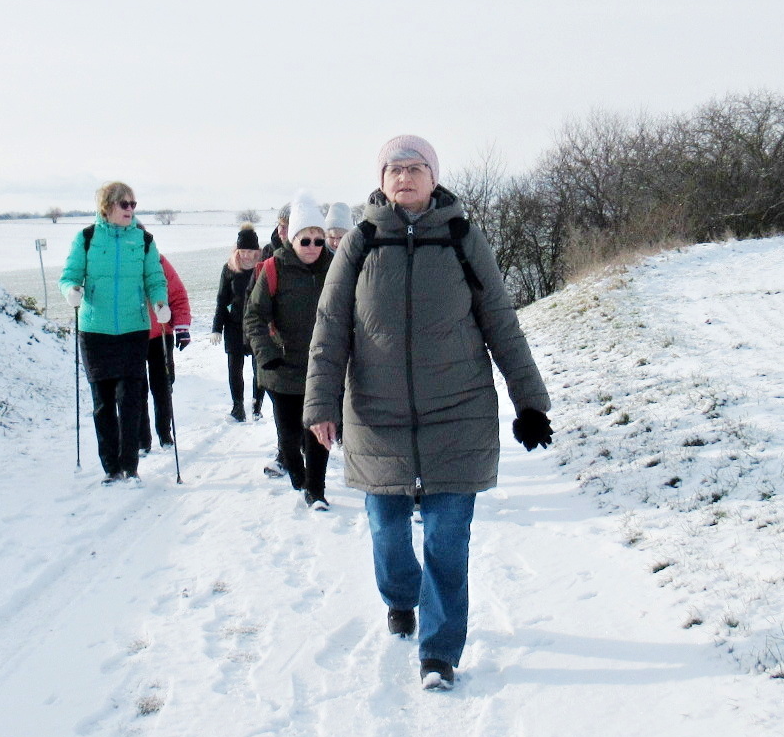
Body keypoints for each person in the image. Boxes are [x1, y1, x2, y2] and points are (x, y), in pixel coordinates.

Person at [305, 135, 554, 692]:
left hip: (458, 411)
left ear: (433, 177)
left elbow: (501, 323)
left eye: (416, 168)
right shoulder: (361, 243)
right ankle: (399, 596)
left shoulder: (464, 239)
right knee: (386, 529)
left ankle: (439, 652)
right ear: (383, 178)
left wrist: (529, 402)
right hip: (376, 414)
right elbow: (329, 329)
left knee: (446, 536)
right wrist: (321, 405)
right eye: (395, 169)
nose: (405, 177)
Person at [61, 181, 170, 483]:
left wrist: (160, 302)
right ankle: (111, 468)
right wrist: (71, 290)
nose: (130, 210)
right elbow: (69, 275)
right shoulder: (86, 239)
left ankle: (130, 466)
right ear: (106, 207)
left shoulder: (144, 240)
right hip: (95, 331)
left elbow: (154, 278)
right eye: (124, 204)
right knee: (104, 403)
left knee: (131, 398)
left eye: (133, 204)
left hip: (134, 329)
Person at [246, 191, 335, 510]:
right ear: (292, 240)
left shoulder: (337, 268)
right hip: (282, 367)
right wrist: (266, 351)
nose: (312, 247)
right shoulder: (272, 268)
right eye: (305, 240)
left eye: (318, 239)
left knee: (319, 432)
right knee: (288, 438)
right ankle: (297, 475)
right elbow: (254, 315)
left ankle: (316, 491)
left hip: (322, 367)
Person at [211, 225, 264, 422]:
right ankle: (238, 406)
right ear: (237, 251)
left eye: (251, 251)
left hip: (258, 326)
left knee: (259, 368)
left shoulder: (263, 268)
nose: (247, 256)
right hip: (233, 326)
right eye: (243, 251)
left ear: (257, 251)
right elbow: (221, 300)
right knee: (235, 368)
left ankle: (256, 405)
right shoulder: (229, 269)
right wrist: (217, 328)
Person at [140, 253, 192, 451]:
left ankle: (165, 434)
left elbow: (177, 294)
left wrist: (182, 327)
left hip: (161, 333)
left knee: (163, 387)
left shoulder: (158, 261)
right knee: (136, 390)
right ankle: (142, 440)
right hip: (132, 336)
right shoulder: (121, 263)